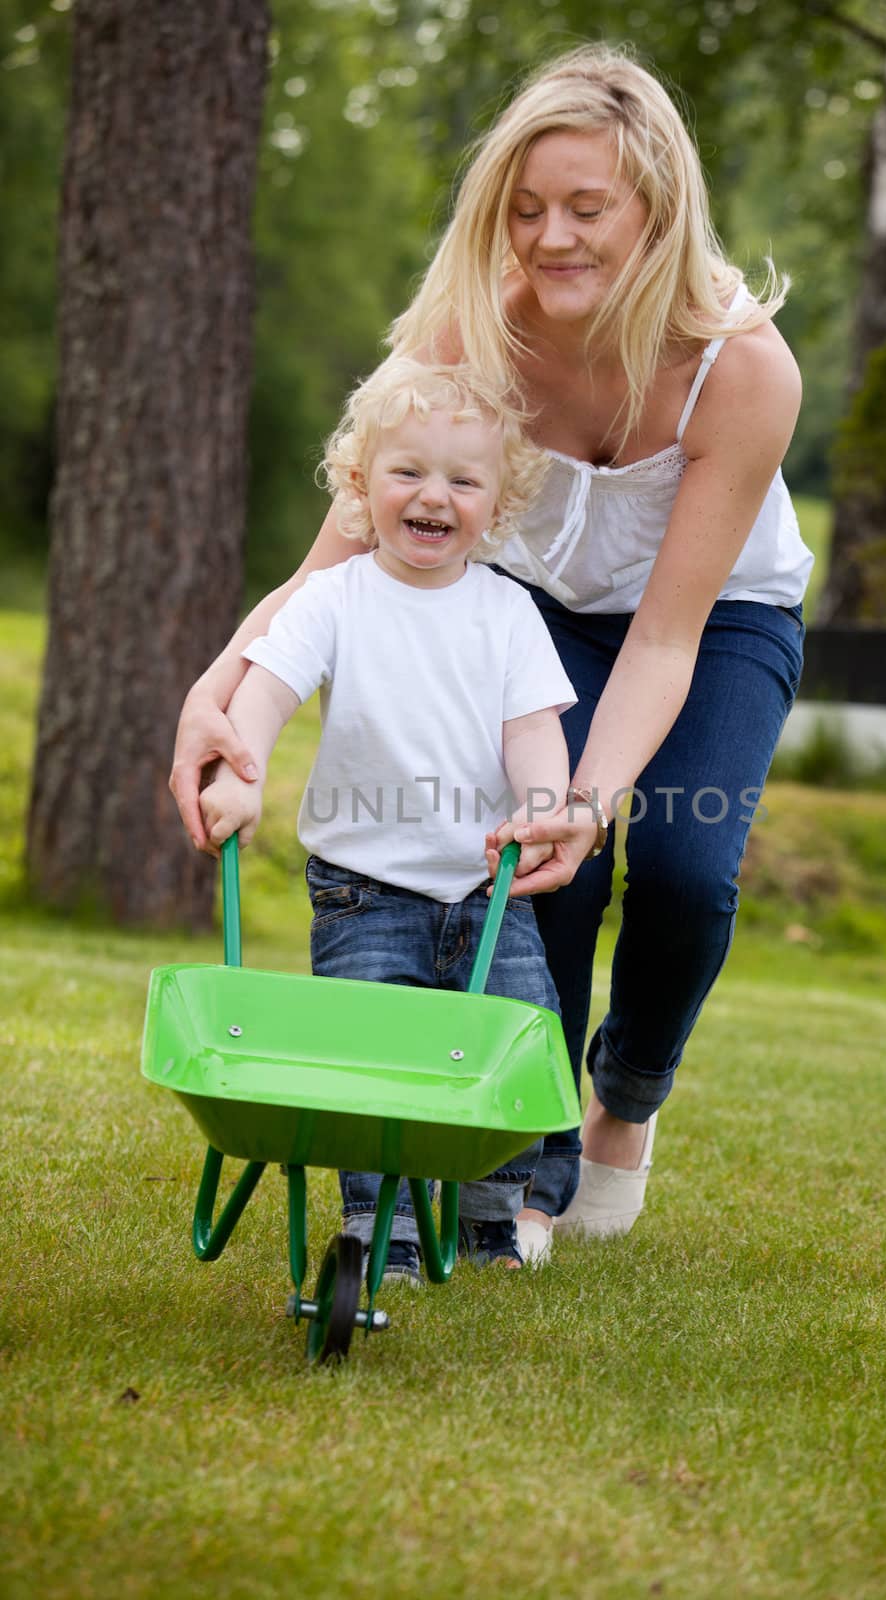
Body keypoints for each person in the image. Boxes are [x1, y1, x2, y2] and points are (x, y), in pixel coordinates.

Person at [171, 45, 811, 1266]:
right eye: (525, 211)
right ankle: (518, 1159)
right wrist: (218, 684)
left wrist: (590, 794)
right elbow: (329, 568)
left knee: (680, 866)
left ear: (657, 211)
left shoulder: (741, 369)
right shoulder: (465, 332)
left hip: (714, 615)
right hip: (526, 603)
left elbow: (666, 636)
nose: (550, 239)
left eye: (586, 210)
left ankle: (625, 1096)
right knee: (531, 865)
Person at [198, 359, 576, 1280]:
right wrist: (242, 775)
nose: (433, 497)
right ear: (360, 482)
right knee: (369, 1069)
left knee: (517, 1039)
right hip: (365, 893)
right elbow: (268, 691)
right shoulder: (334, 598)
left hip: (488, 891)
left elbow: (532, 733)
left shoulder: (508, 613)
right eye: (408, 471)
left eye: (463, 479)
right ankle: (384, 1229)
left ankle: (490, 1214)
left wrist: (541, 807)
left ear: (500, 500)